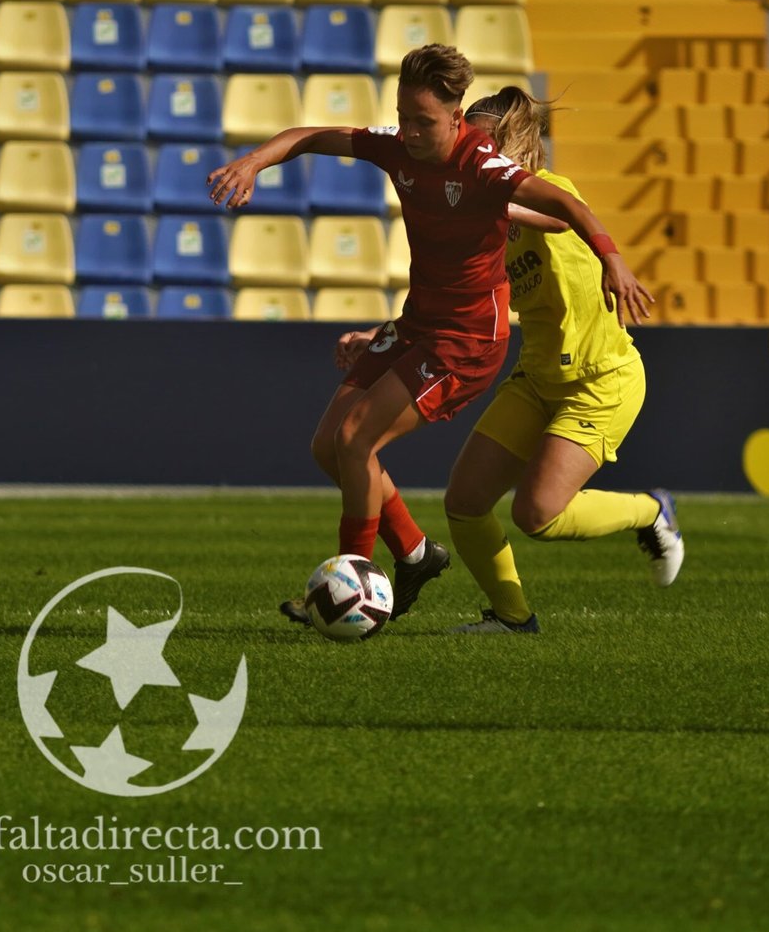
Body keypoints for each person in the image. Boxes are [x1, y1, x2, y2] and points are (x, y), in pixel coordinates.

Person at [204, 44, 653, 623]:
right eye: (404, 117)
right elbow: (312, 136)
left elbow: (563, 204)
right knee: (329, 446)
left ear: (456, 118)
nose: (411, 132)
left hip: (466, 341)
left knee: (356, 439)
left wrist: (613, 259)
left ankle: (351, 585)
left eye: (424, 122)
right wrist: (253, 163)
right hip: (418, 323)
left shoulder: (482, 166)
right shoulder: (399, 147)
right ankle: (415, 554)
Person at [439, 86, 684, 634]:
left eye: (477, 142)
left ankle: (652, 511)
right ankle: (511, 618)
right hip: (537, 376)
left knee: (537, 515)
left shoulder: (552, 190)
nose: (466, 154)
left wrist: (613, 260)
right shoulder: (487, 223)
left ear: (507, 144)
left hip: (601, 379)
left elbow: (563, 217)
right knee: (465, 501)